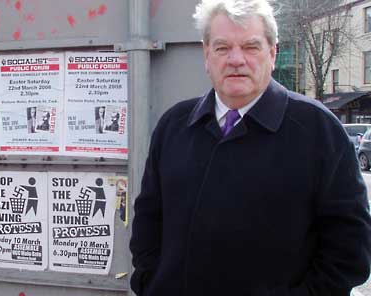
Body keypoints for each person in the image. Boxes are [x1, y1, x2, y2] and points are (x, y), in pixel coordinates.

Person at [129, 1, 371, 296]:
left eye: (250, 47)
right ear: (206, 55)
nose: (235, 59)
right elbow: (148, 222)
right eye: (222, 48)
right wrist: (150, 282)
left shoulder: (319, 130)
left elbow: (349, 252)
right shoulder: (174, 126)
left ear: (272, 53)